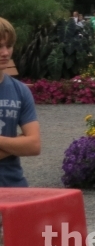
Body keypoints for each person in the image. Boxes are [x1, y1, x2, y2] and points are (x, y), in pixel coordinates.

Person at [0, 17, 41, 187]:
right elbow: (26, 143)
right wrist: (15, 143)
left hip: (14, 187)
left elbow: (33, 145)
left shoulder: (21, 90)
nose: (5, 53)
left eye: (9, 46)